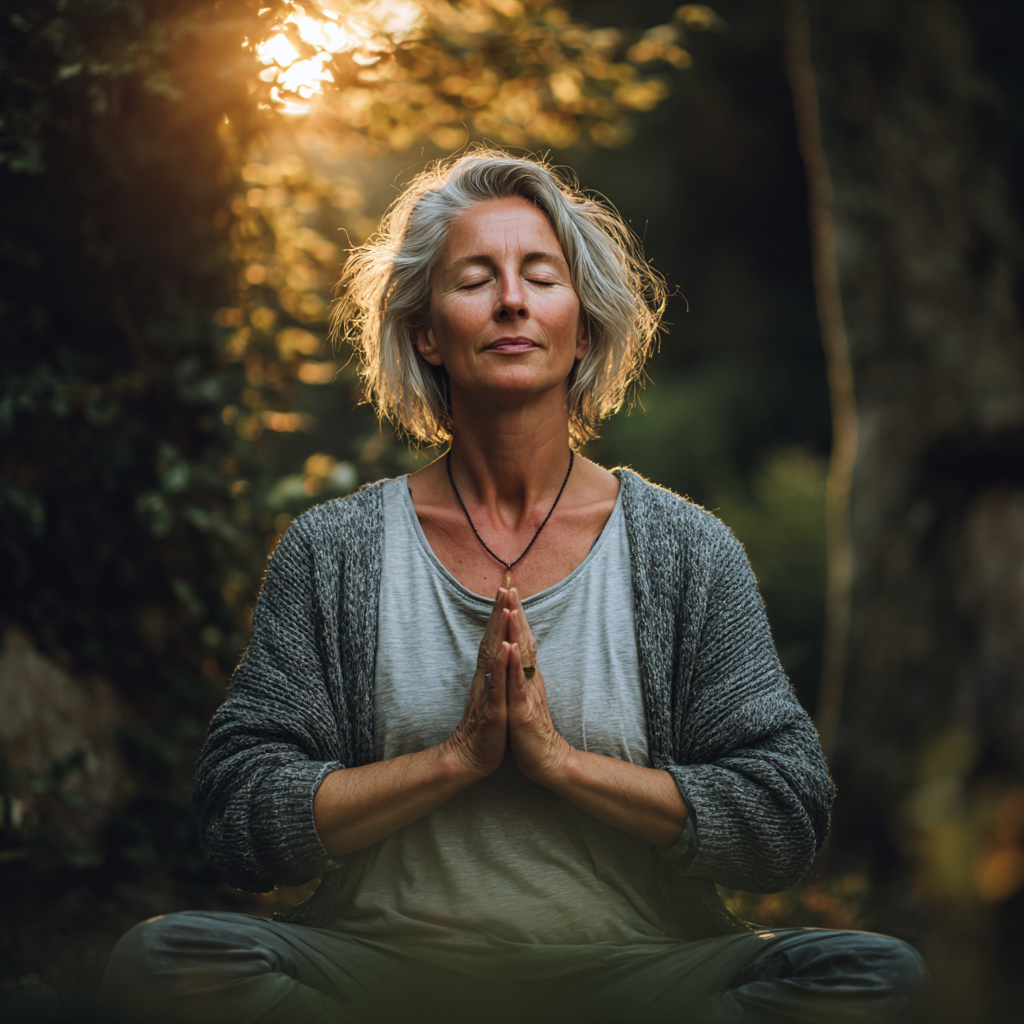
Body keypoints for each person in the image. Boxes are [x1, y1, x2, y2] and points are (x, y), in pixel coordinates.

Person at [104, 150, 928, 1023]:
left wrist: (561, 766)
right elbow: (239, 814)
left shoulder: (687, 551)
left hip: (640, 977)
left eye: (540, 276)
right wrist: (455, 761)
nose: (511, 301)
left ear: (582, 325)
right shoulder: (333, 551)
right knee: (161, 958)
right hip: (388, 975)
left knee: (875, 974)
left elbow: (783, 817)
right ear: (426, 332)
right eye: (474, 279)